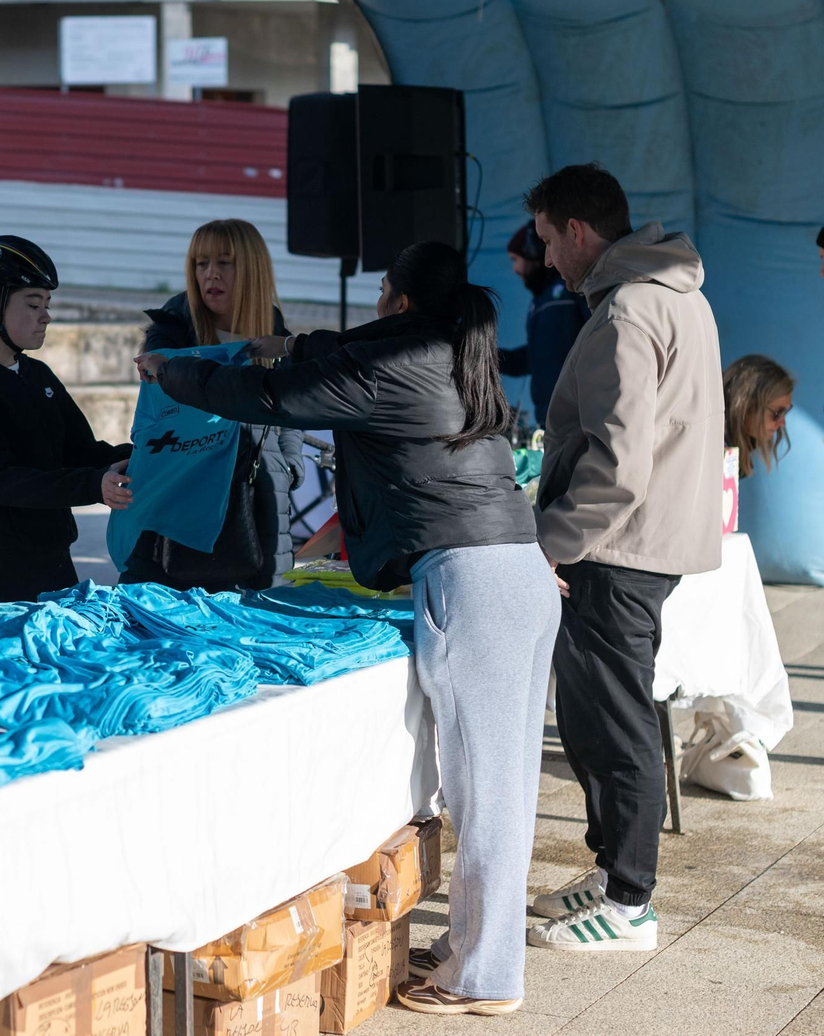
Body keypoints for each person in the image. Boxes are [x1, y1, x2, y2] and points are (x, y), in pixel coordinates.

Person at [135, 241, 556, 1017]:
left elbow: (277, 399)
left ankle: (487, 977)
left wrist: (175, 371)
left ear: (396, 302)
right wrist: (282, 344)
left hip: (474, 580)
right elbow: (337, 353)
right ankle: (475, 948)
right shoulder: (448, 350)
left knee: (484, 791)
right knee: (505, 782)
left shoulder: (394, 367)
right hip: (516, 573)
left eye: (382, 294)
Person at [523, 162, 724, 953]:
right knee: (593, 716)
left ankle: (631, 904)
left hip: (616, 548)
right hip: (637, 543)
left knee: (615, 722)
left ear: (578, 231)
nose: (543, 260)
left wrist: (549, 543)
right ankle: (612, 875)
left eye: (545, 241)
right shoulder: (676, 293)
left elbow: (619, 464)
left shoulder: (628, 312)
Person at [0, 236, 135, 609]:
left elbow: (82, 451)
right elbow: (5, 482)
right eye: (33, 304)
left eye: (47, 304)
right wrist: (94, 485)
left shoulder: (37, 375)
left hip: (51, 558)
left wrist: (149, 458)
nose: (46, 316)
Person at [121, 219, 304, 592]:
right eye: (201, 264)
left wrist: (289, 461)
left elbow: (291, 408)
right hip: (185, 506)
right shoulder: (172, 327)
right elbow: (158, 405)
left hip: (261, 499)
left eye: (225, 262)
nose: (211, 275)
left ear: (251, 269)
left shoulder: (272, 327)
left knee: (256, 625)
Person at [498, 221, 589, 428]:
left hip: (579, 419)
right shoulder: (538, 302)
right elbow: (536, 357)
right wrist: (488, 358)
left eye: (515, 259)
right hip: (550, 421)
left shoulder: (570, 288)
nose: (514, 269)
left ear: (532, 252)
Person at [723, 354, 794, 479]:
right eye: (777, 413)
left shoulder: (735, 450)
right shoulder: (710, 447)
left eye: (786, 412)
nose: (782, 423)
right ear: (746, 406)